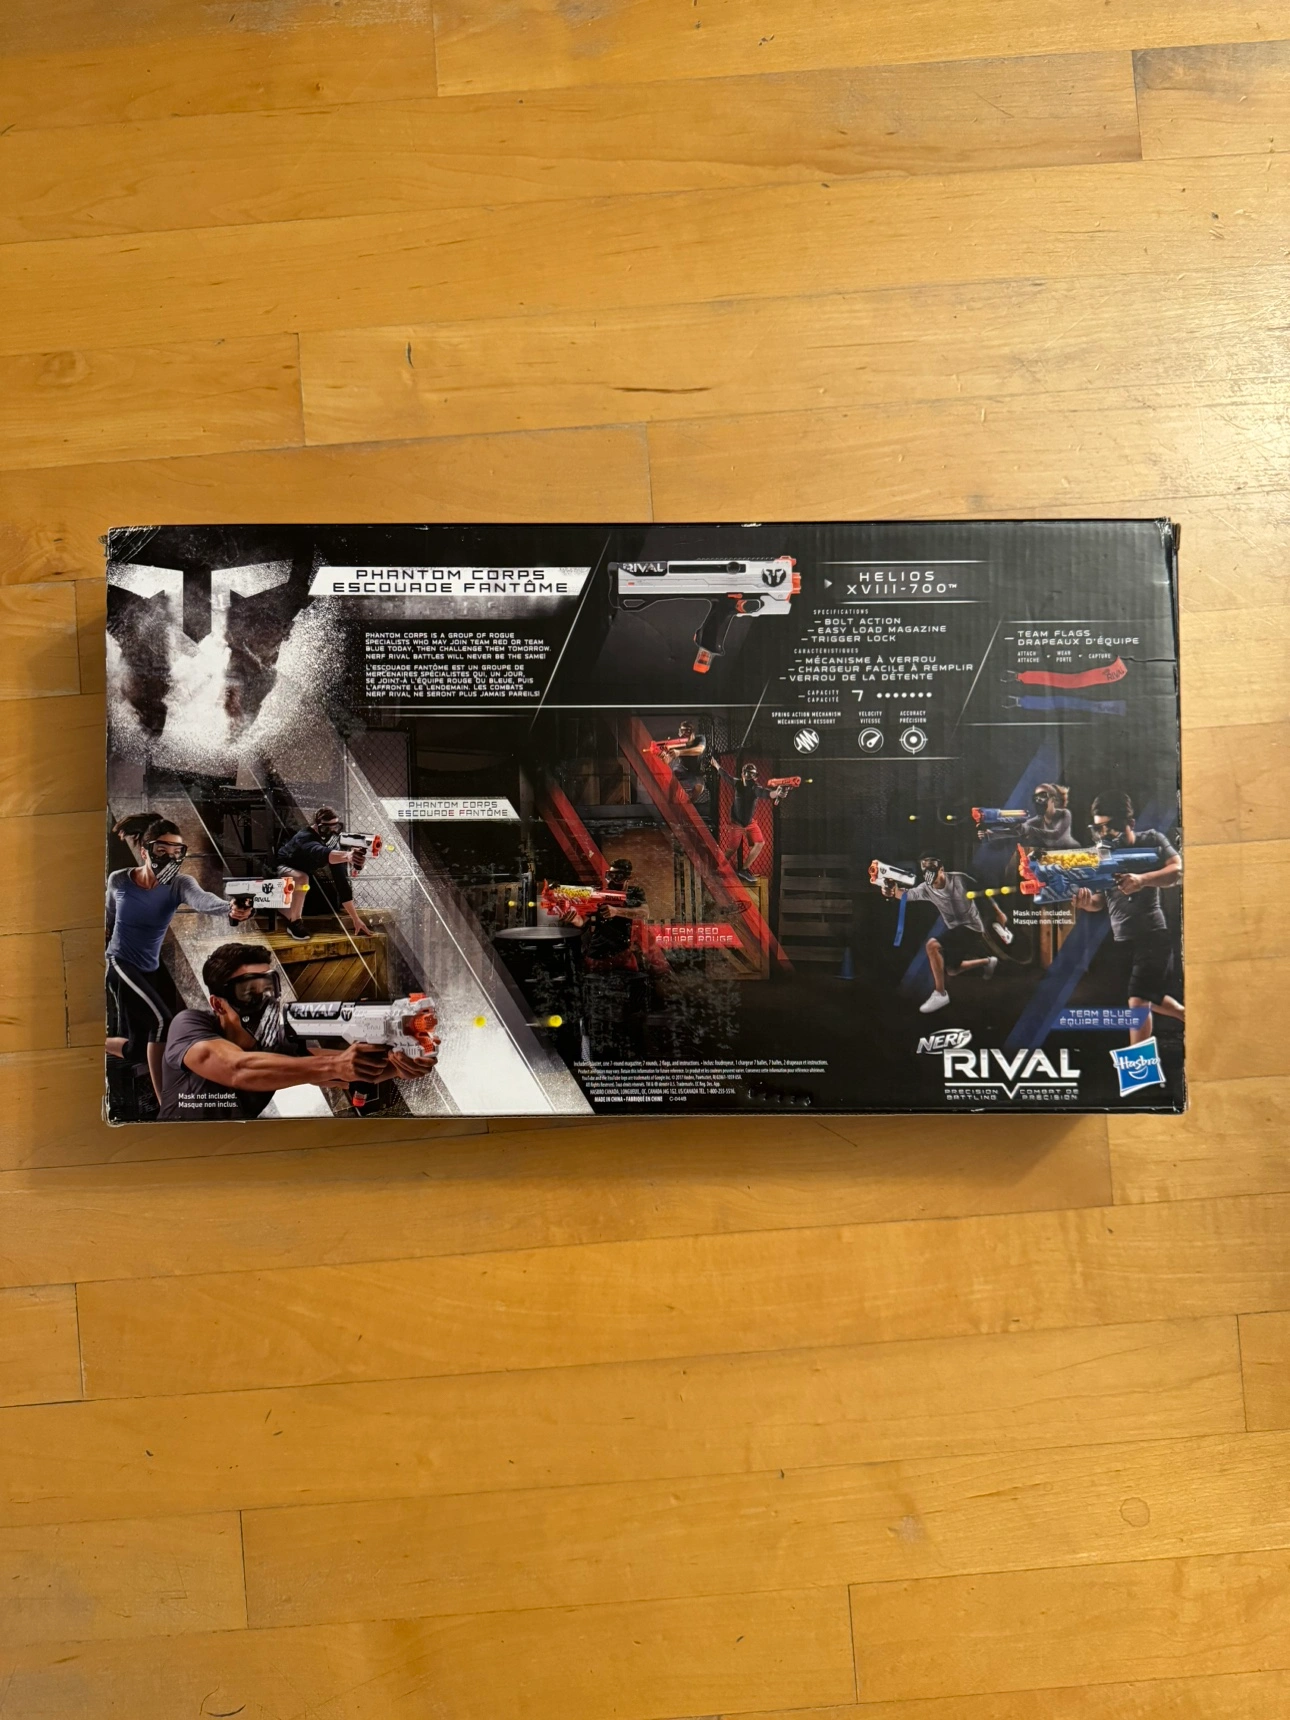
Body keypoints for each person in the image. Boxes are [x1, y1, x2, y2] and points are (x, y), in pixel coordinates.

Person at [159, 942, 436, 1121]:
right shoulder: (190, 1025)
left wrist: (401, 1066)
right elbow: (237, 1069)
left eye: (269, 988)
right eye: (249, 992)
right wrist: (336, 1064)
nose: (265, 999)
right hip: (172, 1149)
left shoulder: (277, 1042)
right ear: (218, 1004)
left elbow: (343, 1074)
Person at [106, 818, 252, 1104]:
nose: (170, 857)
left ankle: (94, 1045)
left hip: (149, 969)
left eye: (177, 852)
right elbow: (109, 913)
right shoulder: (119, 880)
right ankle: (167, 1105)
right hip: (119, 963)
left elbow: (203, 901)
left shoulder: (179, 884)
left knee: (137, 1049)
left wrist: (231, 909)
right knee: (163, 1022)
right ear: (145, 852)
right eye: (162, 850)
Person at [1073, 791, 1183, 1047]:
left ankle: (1139, 1066)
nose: (1105, 834)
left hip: (1152, 935)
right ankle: (1192, 1017)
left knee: (1138, 1002)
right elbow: (1098, 901)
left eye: (1111, 827)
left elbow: (1178, 870)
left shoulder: (1151, 839)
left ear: (1130, 823)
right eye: (1099, 828)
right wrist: (1085, 902)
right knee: (1150, 998)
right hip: (1122, 940)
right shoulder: (1102, 855)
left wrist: (1142, 880)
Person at [884, 853, 1013, 1015]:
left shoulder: (959, 879)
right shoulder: (927, 889)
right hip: (955, 930)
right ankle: (988, 961)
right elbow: (907, 895)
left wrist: (998, 912)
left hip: (971, 927)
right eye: (926, 872)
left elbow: (983, 892)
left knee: (932, 946)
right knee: (952, 970)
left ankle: (940, 994)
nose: (933, 881)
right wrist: (891, 891)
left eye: (935, 874)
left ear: (941, 870)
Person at [276, 807, 373, 939]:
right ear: (317, 826)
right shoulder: (305, 838)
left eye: (336, 827)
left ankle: (288, 914)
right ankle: (295, 924)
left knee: (306, 881)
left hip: (301, 872)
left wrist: (356, 919)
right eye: (326, 828)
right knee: (302, 878)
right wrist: (347, 856)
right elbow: (321, 852)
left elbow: (341, 882)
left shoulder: (331, 841)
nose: (332, 832)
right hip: (279, 869)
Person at [656, 721, 713, 807]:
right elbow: (667, 760)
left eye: (687, 731)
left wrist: (679, 752)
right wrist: (663, 756)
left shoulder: (700, 739)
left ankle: (690, 802)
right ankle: (670, 800)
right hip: (683, 767)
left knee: (699, 787)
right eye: (682, 731)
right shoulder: (679, 743)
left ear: (692, 732)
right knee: (675, 772)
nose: (684, 734)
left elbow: (699, 750)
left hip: (697, 770)